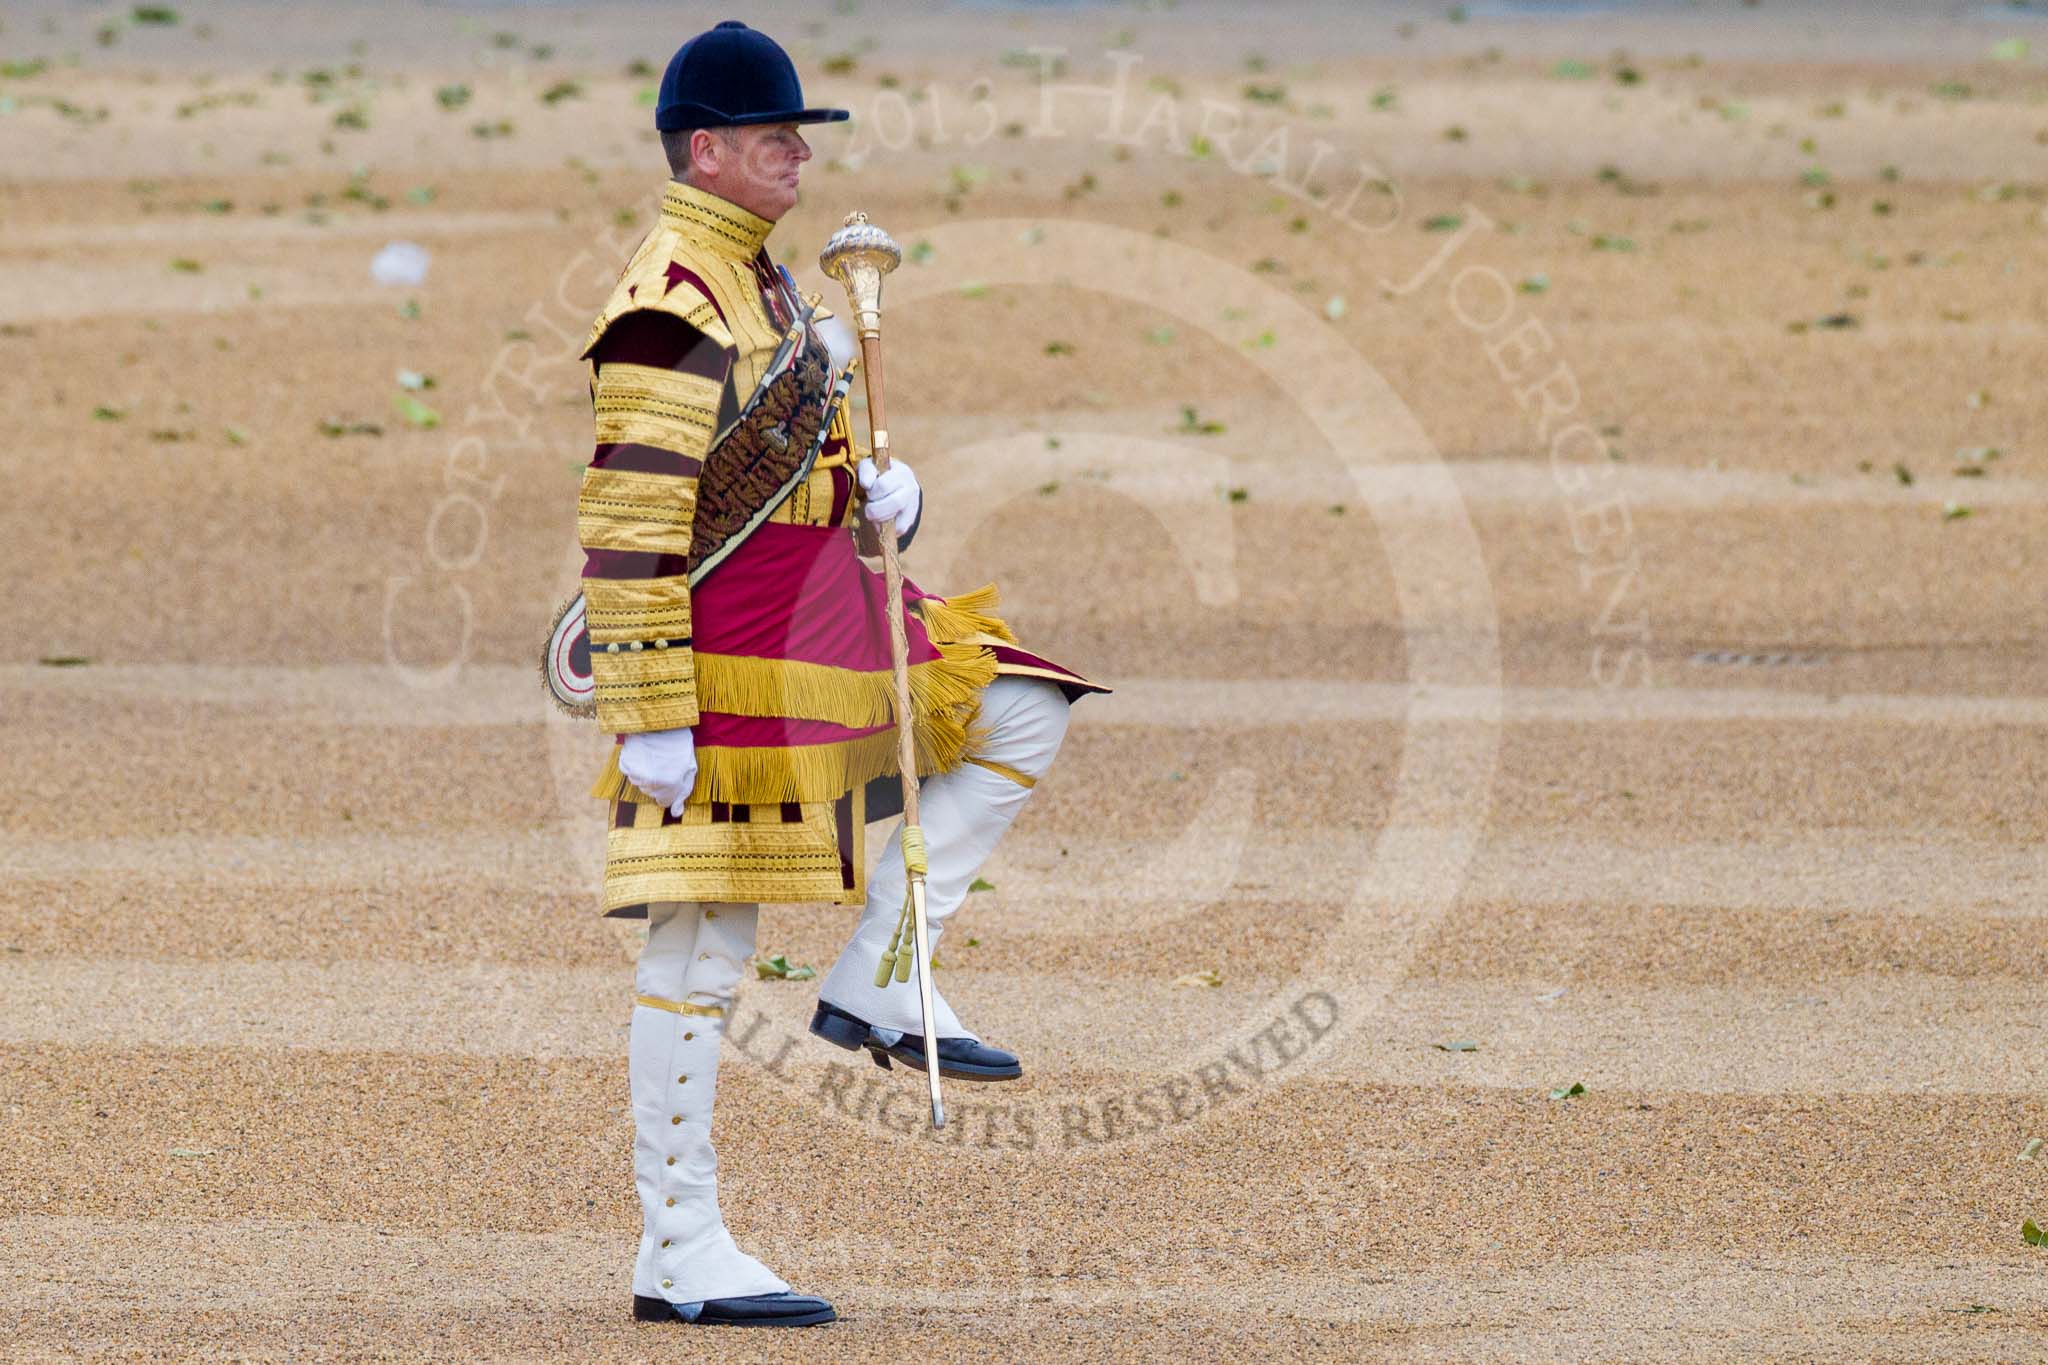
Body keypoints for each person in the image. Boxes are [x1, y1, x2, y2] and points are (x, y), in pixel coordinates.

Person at [567, 20, 1103, 1329]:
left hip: (827, 614)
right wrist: (650, 715)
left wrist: (884, 496)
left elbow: (794, 457)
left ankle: (881, 969)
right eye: (772, 135)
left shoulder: (761, 281)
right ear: (707, 147)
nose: (798, 152)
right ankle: (679, 1244)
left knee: (1020, 707)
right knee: (701, 950)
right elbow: (632, 517)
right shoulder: (668, 299)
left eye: (799, 133)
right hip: (729, 655)